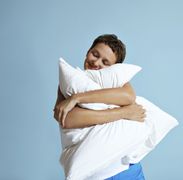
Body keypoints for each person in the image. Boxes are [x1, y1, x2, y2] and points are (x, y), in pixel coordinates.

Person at [53, 34, 146, 179]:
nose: (96, 62)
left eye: (105, 62)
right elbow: (67, 119)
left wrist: (77, 99)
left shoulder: (115, 81)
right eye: (94, 54)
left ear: (114, 68)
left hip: (127, 169)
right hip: (96, 174)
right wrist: (124, 112)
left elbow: (129, 96)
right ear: (87, 51)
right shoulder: (73, 81)